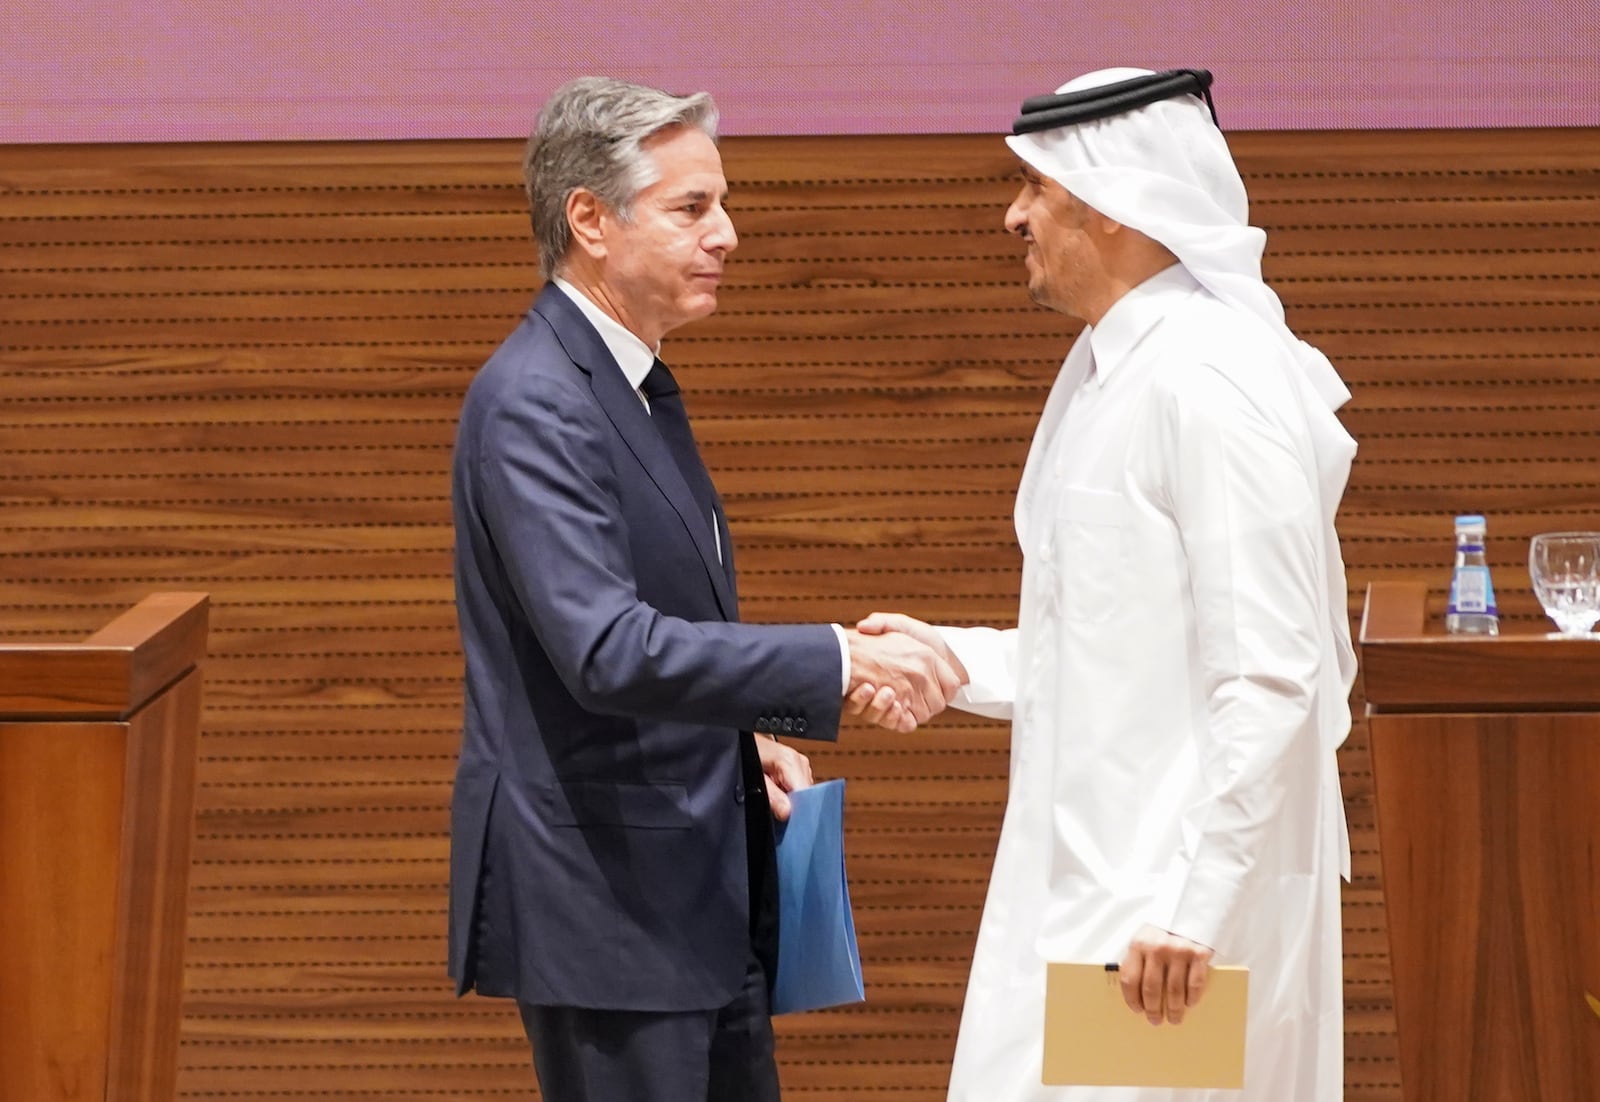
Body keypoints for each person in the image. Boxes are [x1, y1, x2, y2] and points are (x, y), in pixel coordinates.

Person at [448, 76, 963, 1102]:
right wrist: (835, 656)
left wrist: (742, 738)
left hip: (687, 886)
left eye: (721, 205)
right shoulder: (536, 401)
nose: (726, 234)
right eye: (692, 209)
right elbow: (604, 648)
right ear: (588, 218)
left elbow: (654, 630)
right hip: (608, 906)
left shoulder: (628, 380)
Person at [856, 68, 1359, 1100]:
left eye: (1033, 187)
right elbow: (1104, 634)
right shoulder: (1112, 368)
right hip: (1094, 891)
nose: (1012, 215)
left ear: (1115, 202)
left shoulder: (1209, 378)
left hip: (1163, 925)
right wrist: (952, 659)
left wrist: (1193, 908)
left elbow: (1272, 673)